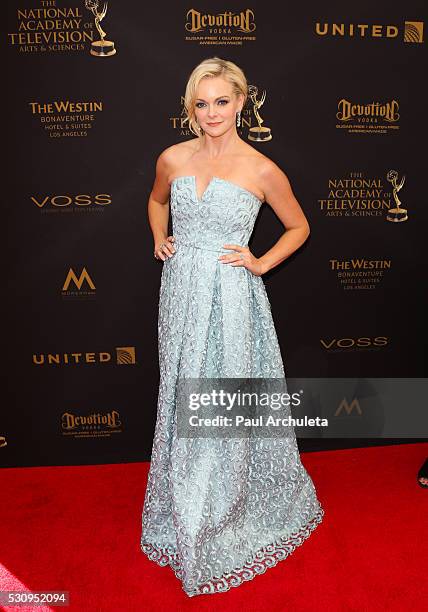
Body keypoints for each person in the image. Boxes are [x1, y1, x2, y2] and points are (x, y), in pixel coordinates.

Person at [140, 56, 324, 597]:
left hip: (233, 295)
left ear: (242, 102)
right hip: (179, 294)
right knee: (181, 396)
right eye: (202, 103)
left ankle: (222, 511)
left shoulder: (262, 168)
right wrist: (160, 238)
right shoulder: (172, 157)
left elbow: (299, 226)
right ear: (191, 107)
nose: (212, 113)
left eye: (223, 101)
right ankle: (188, 505)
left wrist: (262, 262)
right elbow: (155, 201)